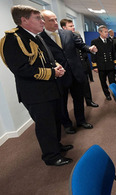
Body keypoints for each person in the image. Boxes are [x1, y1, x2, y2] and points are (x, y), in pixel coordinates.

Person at [0, 5, 73, 166]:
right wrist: (51, 73)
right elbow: (21, 69)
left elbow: (47, 59)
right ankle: (51, 156)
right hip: (36, 93)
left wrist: (56, 67)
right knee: (45, 126)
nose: (42, 21)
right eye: (38, 18)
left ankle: (56, 146)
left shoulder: (36, 36)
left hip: (50, 89)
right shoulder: (13, 39)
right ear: (24, 20)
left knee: (54, 122)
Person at [40, 10, 96, 134]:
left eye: (55, 19)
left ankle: (81, 120)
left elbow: (80, 45)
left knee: (78, 99)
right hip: (59, 75)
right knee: (62, 103)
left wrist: (90, 49)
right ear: (42, 22)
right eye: (51, 20)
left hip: (75, 72)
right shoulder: (40, 38)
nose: (55, 22)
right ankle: (67, 124)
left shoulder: (67, 33)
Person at [60, 19, 98, 108]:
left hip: (82, 64)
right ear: (64, 27)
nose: (73, 27)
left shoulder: (77, 35)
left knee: (85, 84)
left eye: (73, 25)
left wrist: (90, 50)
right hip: (71, 67)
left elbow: (82, 47)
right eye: (70, 26)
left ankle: (89, 101)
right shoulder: (61, 38)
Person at [91, 25, 116, 100]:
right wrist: (95, 66)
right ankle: (107, 94)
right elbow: (93, 54)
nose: (107, 33)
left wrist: (115, 63)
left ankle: (114, 93)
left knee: (112, 81)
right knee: (103, 81)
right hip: (101, 65)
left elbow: (113, 53)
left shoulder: (110, 41)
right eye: (105, 32)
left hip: (110, 65)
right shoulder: (95, 42)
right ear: (100, 32)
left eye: (107, 32)